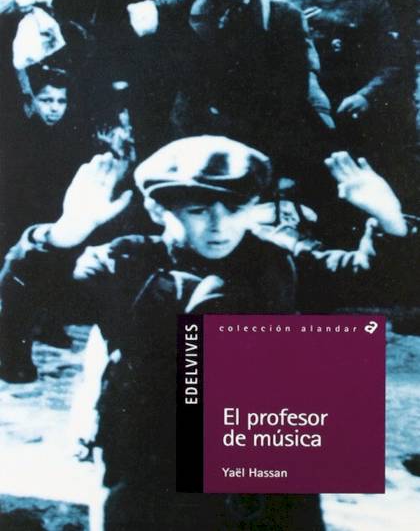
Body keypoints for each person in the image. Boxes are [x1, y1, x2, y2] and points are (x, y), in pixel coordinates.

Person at [0, 135, 408, 528]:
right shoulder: (126, 264)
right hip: (151, 458)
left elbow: (368, 279)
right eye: (197, 211)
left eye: (235, 209)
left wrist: (389, 220)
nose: (218, 226)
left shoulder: (278, 260)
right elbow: (29, 301)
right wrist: (63, 234)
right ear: (158, 210)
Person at [125, 0, 334, 183]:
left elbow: (293, 91)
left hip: (263, 134)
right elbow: (130, 24)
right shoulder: (186, 3)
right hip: (194, 133)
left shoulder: (282, 15)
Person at [264, 0, 411, 162]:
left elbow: (392, 62)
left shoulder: (371, 3)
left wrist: (366, 95)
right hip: (289, 112)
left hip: (348, 112)